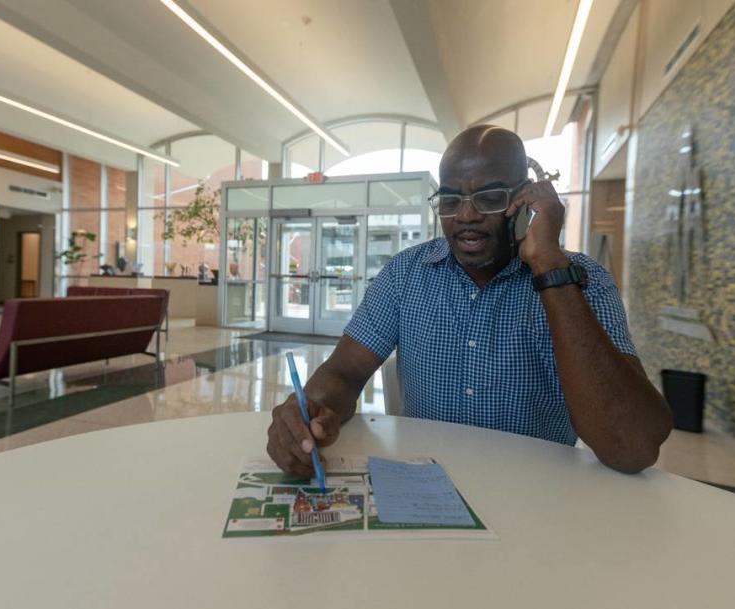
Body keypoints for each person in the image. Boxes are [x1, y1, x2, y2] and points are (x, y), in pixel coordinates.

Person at [266, 125, 672, 475]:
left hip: (538, 500)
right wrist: (312, 409)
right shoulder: (406, 275)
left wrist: (549, 266)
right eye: (450, 200)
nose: (465, 215)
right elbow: (344, 373)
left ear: (526, 202)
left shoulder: (581, 281)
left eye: (490, 198)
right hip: (428, 488)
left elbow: (632, 447)